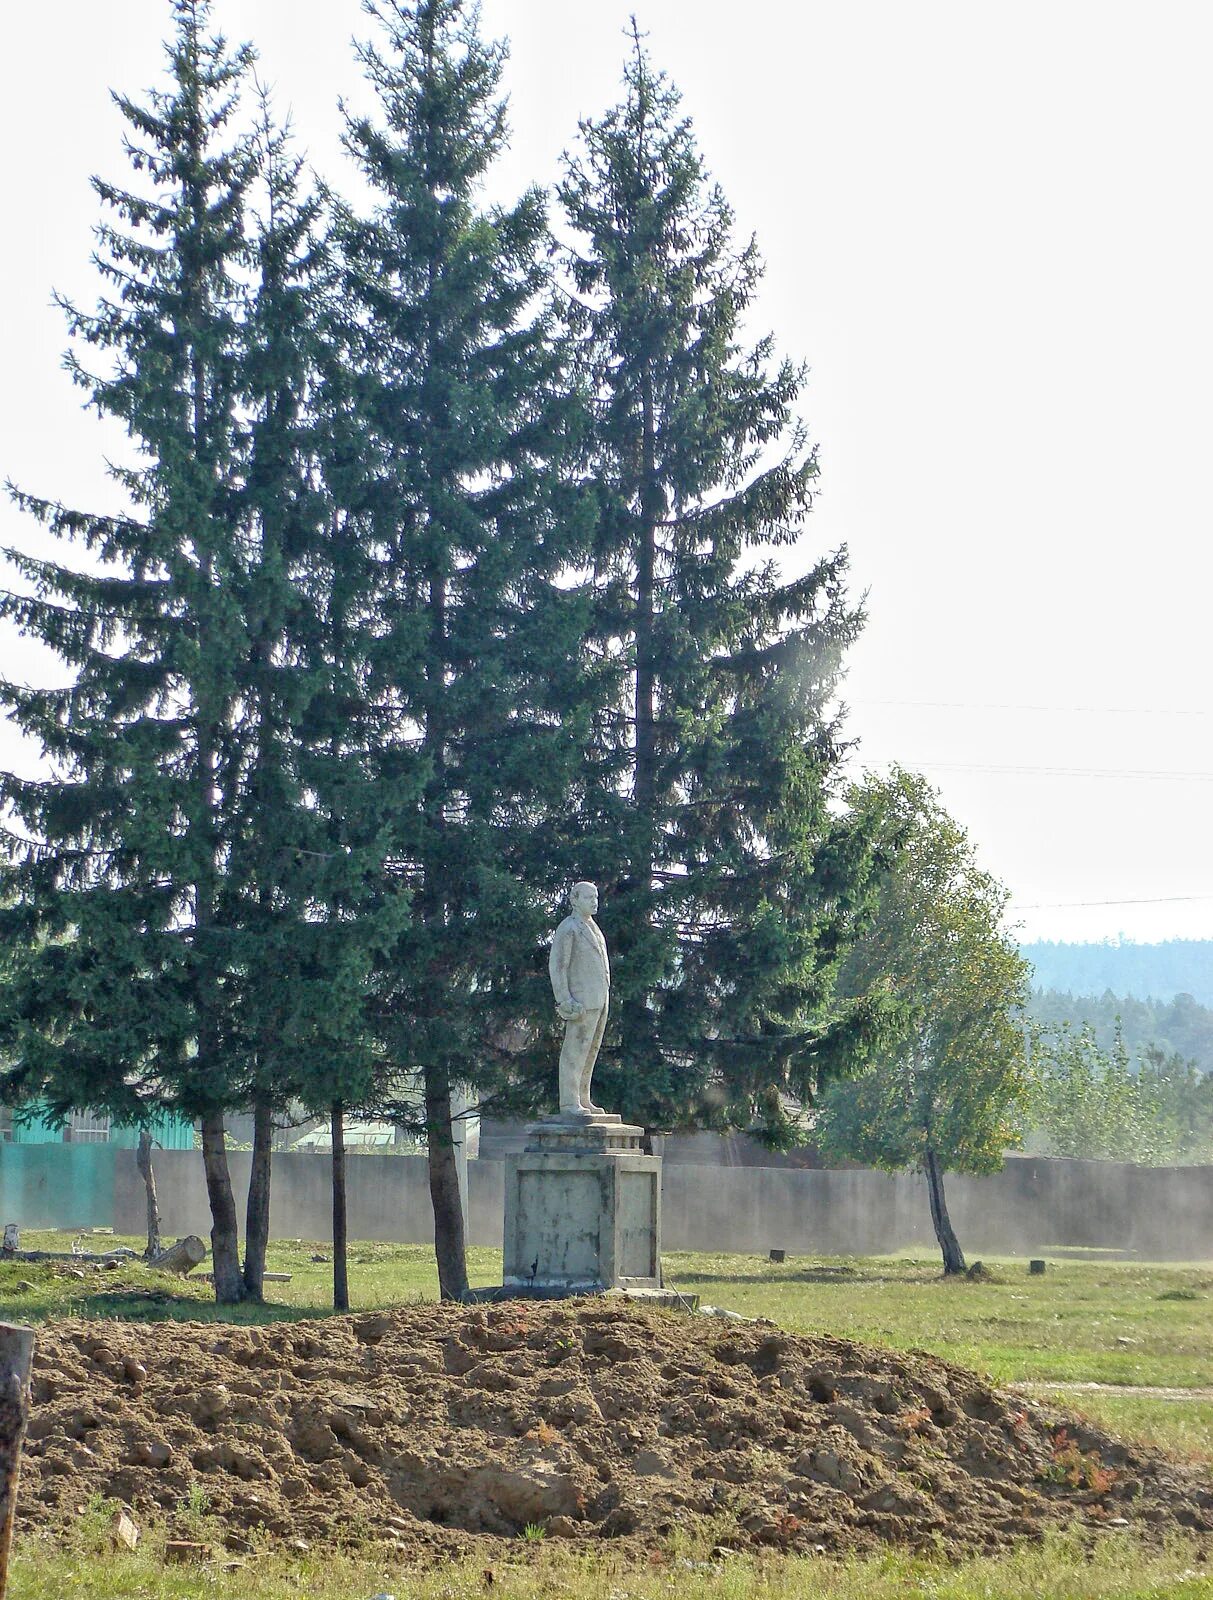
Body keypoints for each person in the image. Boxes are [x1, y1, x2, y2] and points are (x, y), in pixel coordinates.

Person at [548, 881, 610, 1116]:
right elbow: (558, 965)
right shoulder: (569, 927)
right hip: (580, 1000)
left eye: (596, 897)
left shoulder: (593, 927)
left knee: (590, 1050)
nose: (594, 902)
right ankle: (569, 1102)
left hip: (599, 999)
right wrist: (564, 999)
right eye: (588, 897)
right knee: (574, 1050)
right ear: (574, 900)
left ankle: (583, 1097)